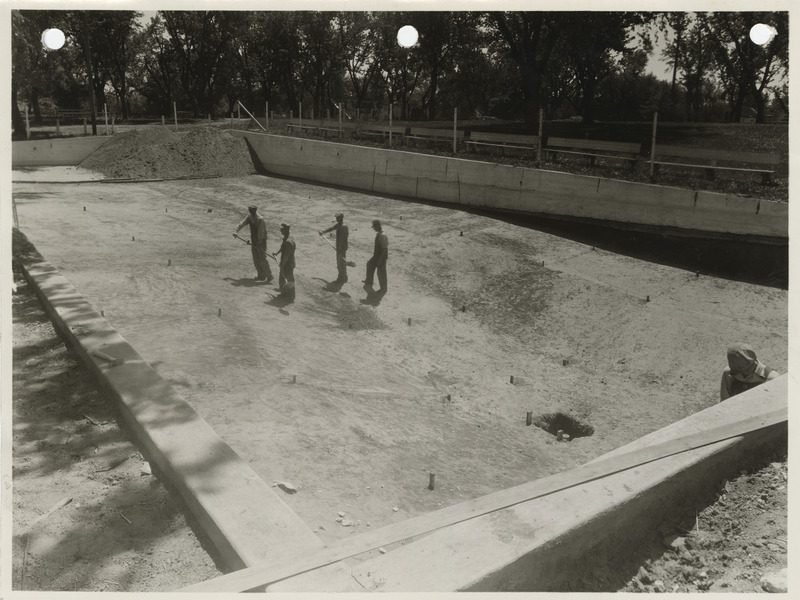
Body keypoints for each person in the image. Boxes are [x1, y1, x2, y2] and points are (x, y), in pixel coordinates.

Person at [233, 205, 273, 282]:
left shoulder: (260, 219)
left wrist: (259, 245)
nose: (250, 211)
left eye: (252, 210)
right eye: (249, 210)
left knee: (262, 258)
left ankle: (269, 275)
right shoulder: (250, 217)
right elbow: (242, 223)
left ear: (255, 210)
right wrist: (236, 231)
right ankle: (261, 275)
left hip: (261, 241)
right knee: (255, 258)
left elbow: (261, 233)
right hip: (254, 240)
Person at [319, 212, 349, 283]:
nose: (336, 218)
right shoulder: (340, 225)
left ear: (341, 218)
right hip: (341, 247)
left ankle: (342, 278)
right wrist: (323, 231)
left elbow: (341, 239)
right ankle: (343, 277)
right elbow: (331, 228)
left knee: (340, 263)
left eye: (337, 217)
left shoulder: (342, 227)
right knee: (342, 262)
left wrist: (338, 249)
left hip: (341, 248)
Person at [363, 219, 388, 294]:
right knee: (370, 264)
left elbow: (384, 249)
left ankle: (383, 289)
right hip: (376, 256)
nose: (374, 229)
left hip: (381, 257)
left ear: (378, 226)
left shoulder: (382, 235)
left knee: (381, 273)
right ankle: (369, 281)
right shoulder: (379, 234)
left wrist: (380, 260)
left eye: (374, 227)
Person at [273, 223, 296, 300]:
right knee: (286, 278)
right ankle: (287, 294)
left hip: (287, 264)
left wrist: (282, 265)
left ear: (286, 230)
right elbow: (283, 248)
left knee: (286, 279)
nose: (280, 230)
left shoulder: (288, 241)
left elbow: (287, 255)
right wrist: (276, 253)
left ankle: (289, 296)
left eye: (282, 229)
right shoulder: (288, 238)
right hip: (288, 262)